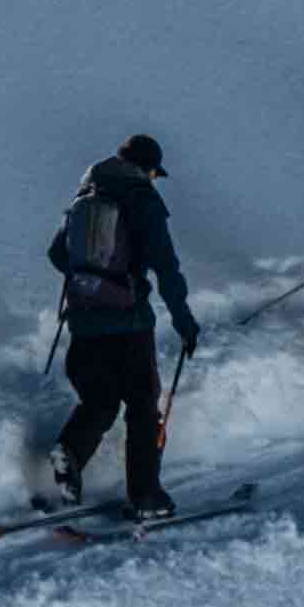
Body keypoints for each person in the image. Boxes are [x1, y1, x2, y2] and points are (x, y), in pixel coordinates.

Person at [43, 132, 200, 517]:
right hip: (128, 322)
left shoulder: (86, 195)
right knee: (143, 407)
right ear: (147, 169)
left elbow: (55, 253)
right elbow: (166, 266)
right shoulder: (141, 198)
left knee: (99, 399)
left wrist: (91, 280)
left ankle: (71, 451)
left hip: (83, 318)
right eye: (154, 174)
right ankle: (146, 496)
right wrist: (184, 321)